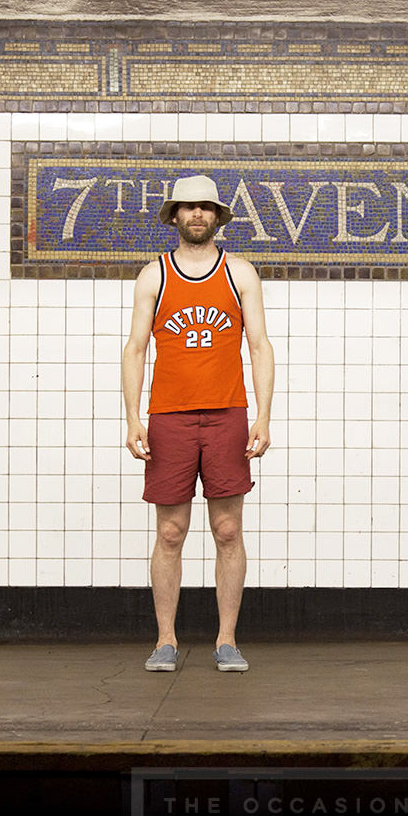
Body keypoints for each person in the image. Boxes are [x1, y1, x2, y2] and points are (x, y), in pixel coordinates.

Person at [121, 174, 274, 673]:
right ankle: (165, 641)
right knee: (170, 531)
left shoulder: (240, 273)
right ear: (175, 215)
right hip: (169, 416)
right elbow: (136, 348)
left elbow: (259, 346)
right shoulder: (155, 275)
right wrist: (132, 418)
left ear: (217, 216)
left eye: (205, 207)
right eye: (188, 207)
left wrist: (264, 416)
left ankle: (226, 640)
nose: (197, 215)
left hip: (228, 414)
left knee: (228, 529)